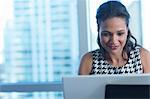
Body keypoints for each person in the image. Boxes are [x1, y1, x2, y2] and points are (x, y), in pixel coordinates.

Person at [78, 0, 150, 75]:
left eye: (120, 33)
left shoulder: (143, 57)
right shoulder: (89, 61)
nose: (113, 41)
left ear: (127, 30)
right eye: (106, 34)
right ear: (98, 30)